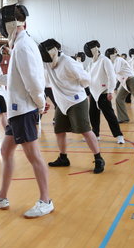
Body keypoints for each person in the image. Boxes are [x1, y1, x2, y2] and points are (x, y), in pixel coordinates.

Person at [0, 4, 53, 218]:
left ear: (6, 25)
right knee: (5, 151)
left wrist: (40, 103)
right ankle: (2, 197)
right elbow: (15, 81)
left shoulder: (23, 46)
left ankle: (46, 201)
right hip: (16, 111)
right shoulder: (20, 45)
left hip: (24, 110)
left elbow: (34, 82)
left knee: (34, 156)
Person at [40, 39, 105, 174]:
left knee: (85, 130)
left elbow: (86, 80)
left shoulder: (69, 62)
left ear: (52, 51)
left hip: (76, 101)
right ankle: (63, 158)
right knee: (59, 130)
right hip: (61, 103)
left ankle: (98, 158)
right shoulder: (46, 63)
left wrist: (75, 88)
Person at [83, 40, 124, 144]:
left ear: (94, 49)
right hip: (93, 92)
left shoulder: (104, 60)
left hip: (104, 92)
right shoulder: (91, 62)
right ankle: (95, 134)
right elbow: (87, 76)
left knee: (109, 115)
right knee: (93, 114)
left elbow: (111, 76)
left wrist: (110, 91)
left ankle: (119, 135)